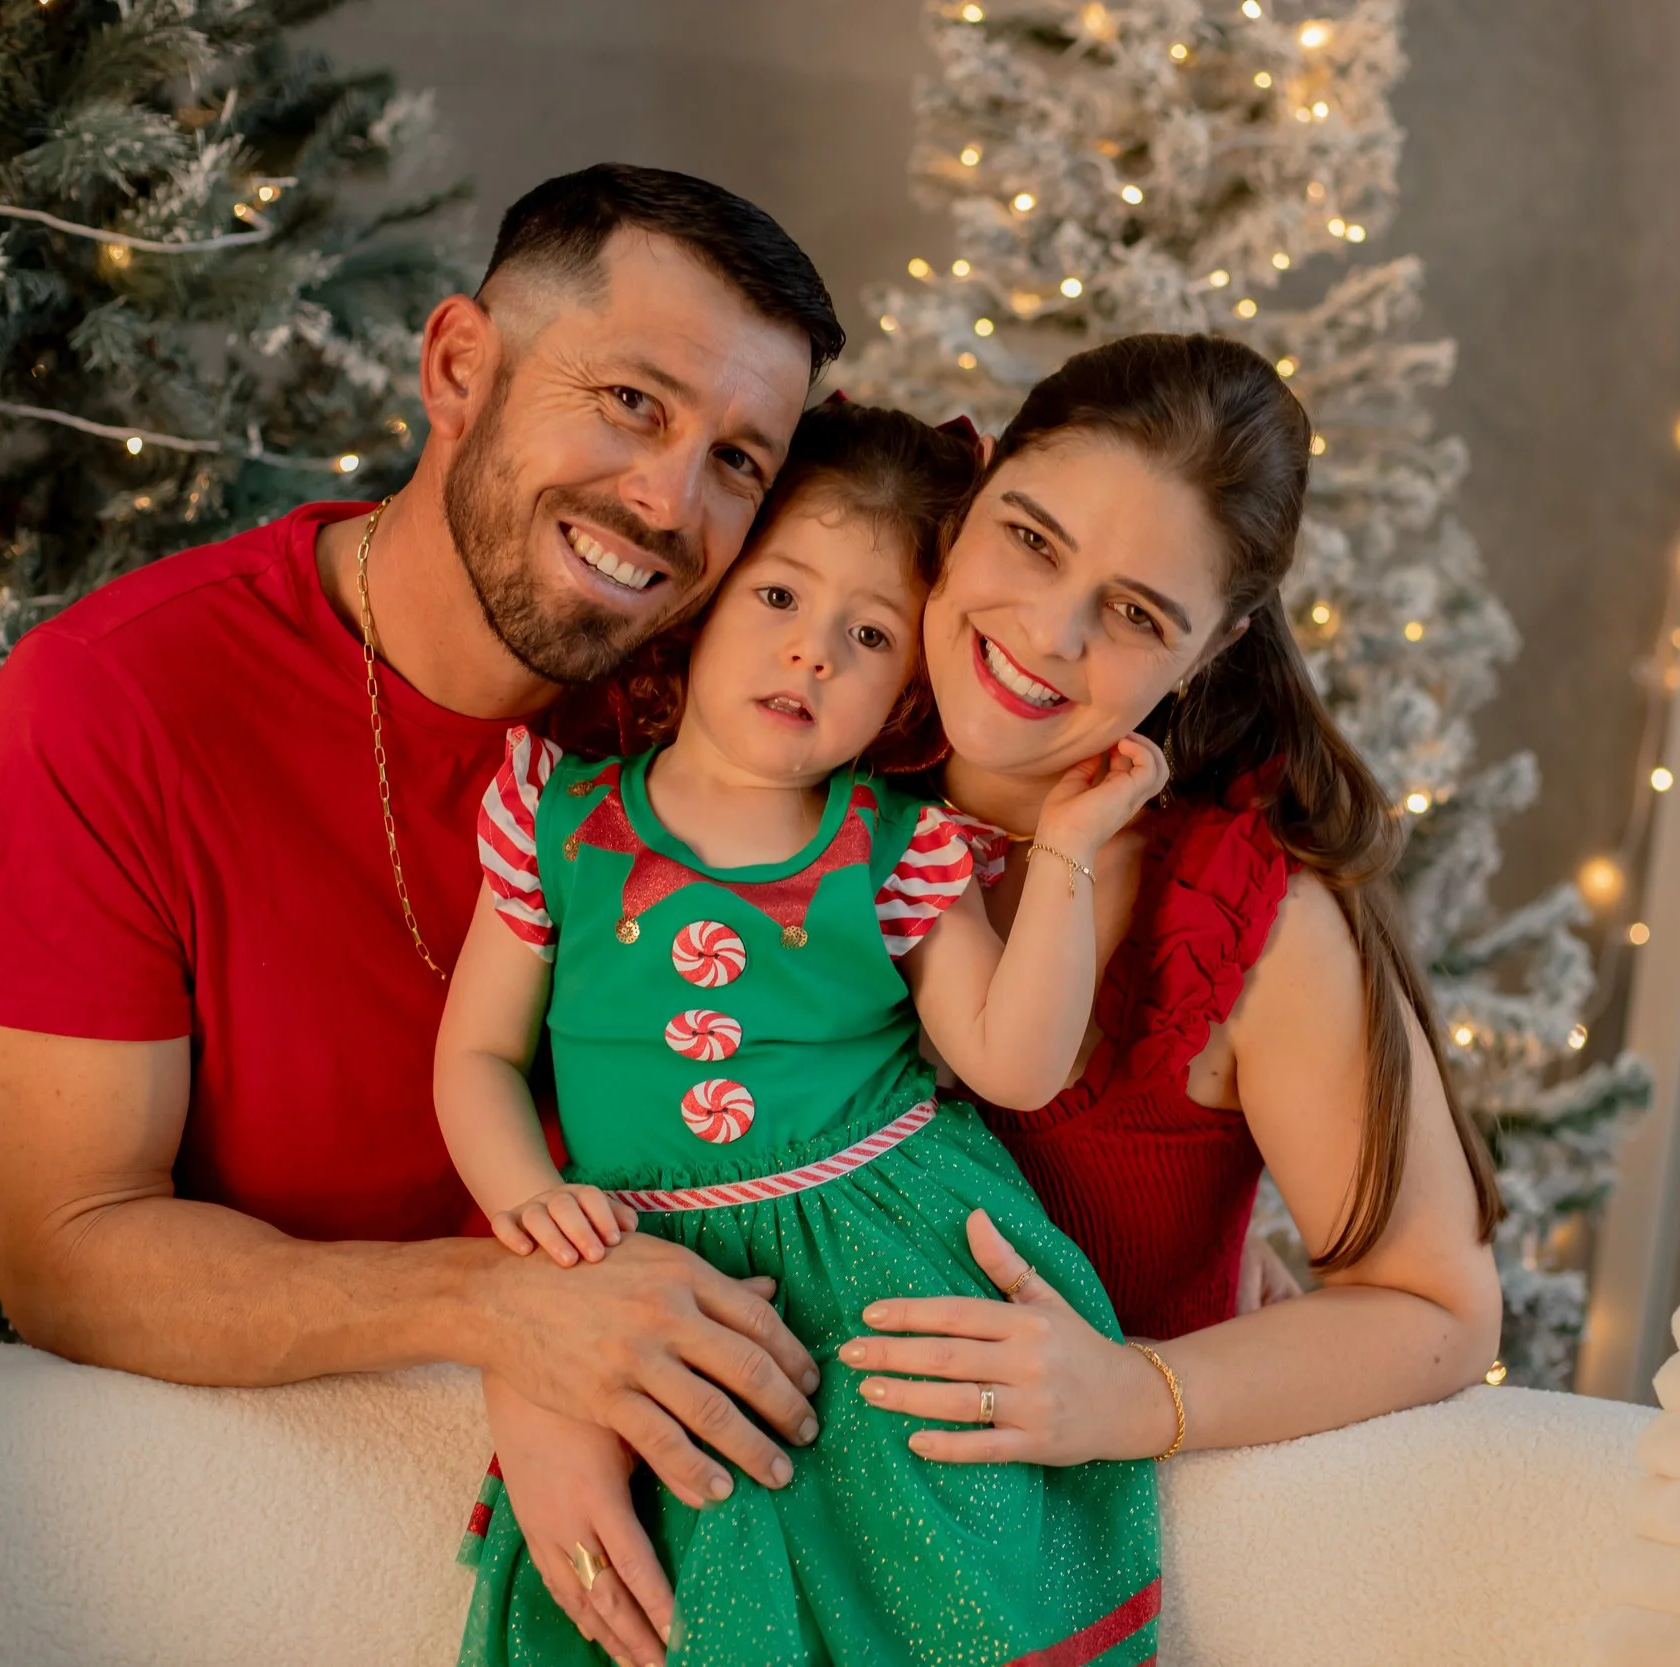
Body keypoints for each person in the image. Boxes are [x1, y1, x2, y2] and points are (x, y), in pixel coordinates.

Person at [0, 165, 840, 1665]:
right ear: (457, 369)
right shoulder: (113, 707)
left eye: (739, 459)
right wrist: (505, 1309)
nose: (670, 506)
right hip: (306, 1525)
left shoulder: (741, 702)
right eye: (630, 400)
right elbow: (69, 1243)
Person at [532, 337, 1507, 1660]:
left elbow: (1439, 1307)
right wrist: (535, 1372)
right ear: (975, 484)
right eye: (1032, 539)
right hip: (739, 1546)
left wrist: (1132, 1391)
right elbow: (567, 1087)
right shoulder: (782, 731)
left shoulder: (1249, 925)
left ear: (1212, 645)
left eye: (1136, 613)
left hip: (1005, 1582)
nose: (1047, 635)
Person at [439, 397, 1166, 1666]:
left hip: (876, 1253)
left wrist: (1064, 853)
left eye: (869, 632)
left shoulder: (894, 850)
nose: (813, 651)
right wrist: (528, 1206)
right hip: (641, 1265)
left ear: (903, 688)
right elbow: (479, 1057)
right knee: (655, 1591)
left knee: (913, 1577)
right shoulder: (560, 821)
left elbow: (1012, 1060)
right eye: (778, 597)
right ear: (703, 602)